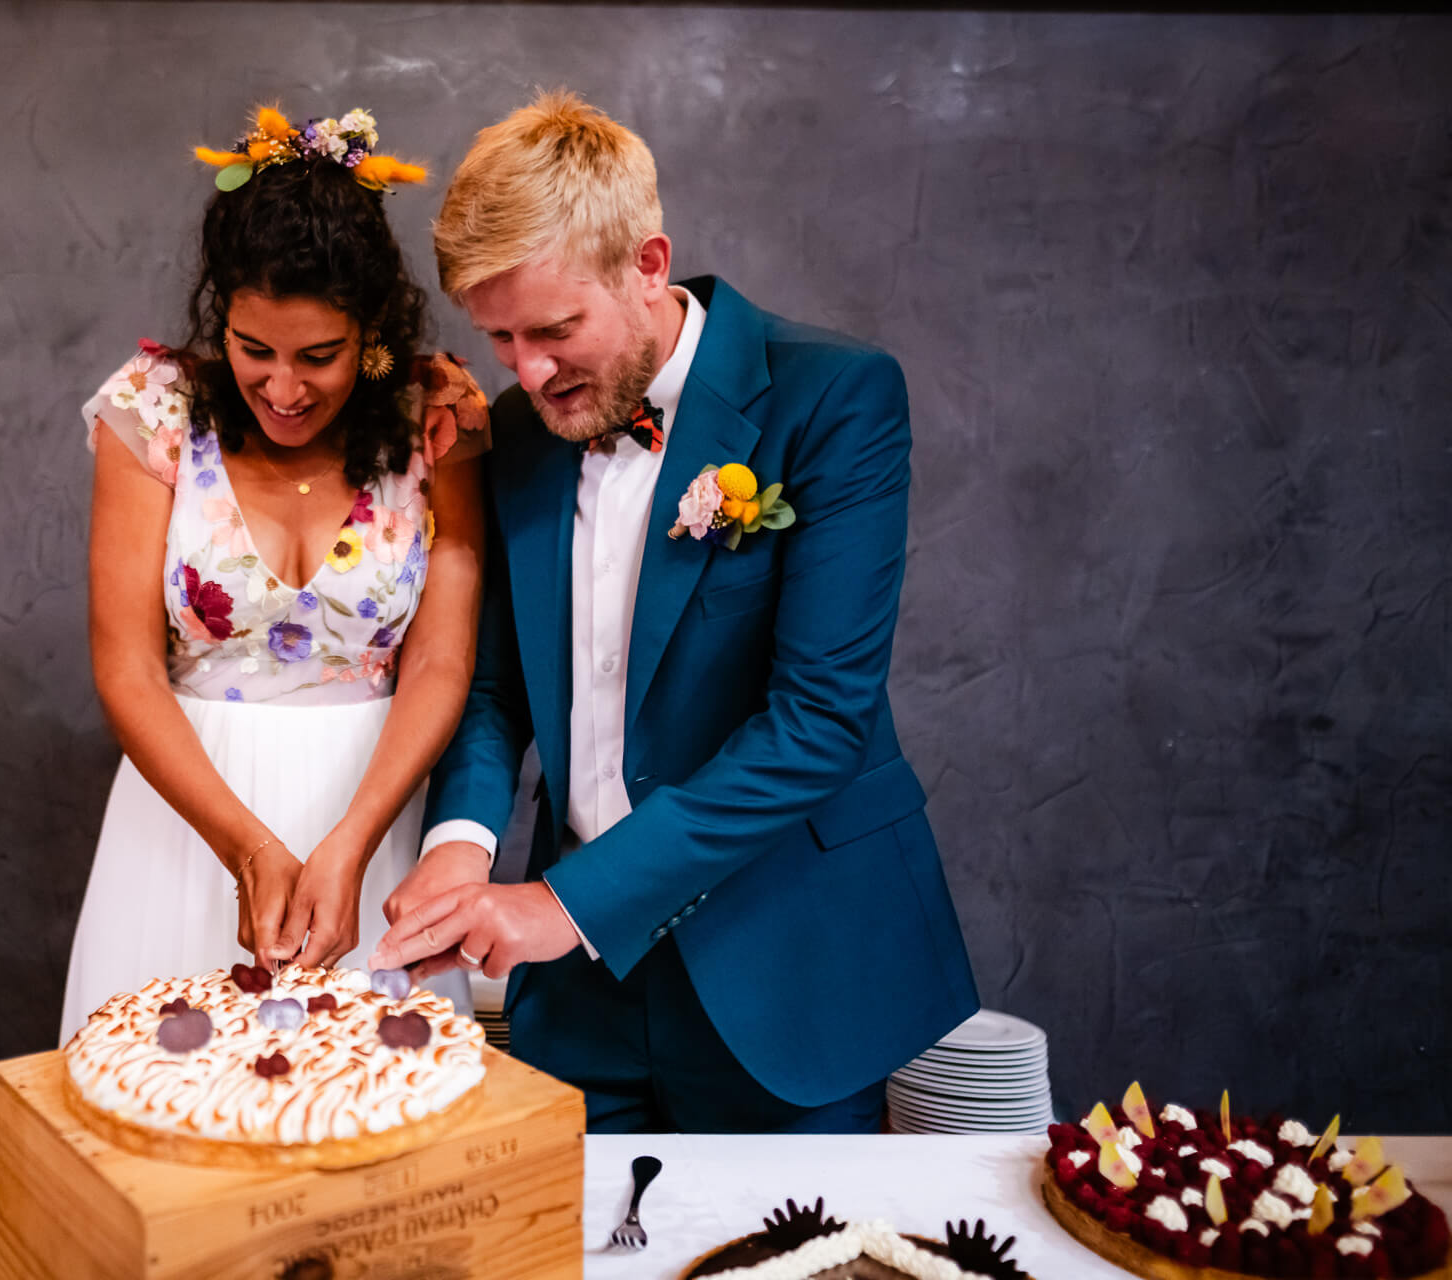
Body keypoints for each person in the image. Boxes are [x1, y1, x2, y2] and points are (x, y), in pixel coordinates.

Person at [371, 91, 979, 1133]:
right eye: (500, 336)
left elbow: (818, 723)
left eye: (555, 329)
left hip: (786, 969)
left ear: (647, 264)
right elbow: (494, 685)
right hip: (574, 1001)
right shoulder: (517, 432)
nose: (526, 372)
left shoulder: (835, 398)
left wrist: (566, 903)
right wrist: (460, 840)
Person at [58, 107, 486, 1043]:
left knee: (369, 1121)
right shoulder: (152, 412)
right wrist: (246, 847)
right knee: (158, 1117)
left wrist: (356, 843)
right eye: (256, 350)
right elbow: (125, 666)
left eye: (319, 357)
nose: (284, 388)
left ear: (370, 333)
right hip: (184, 820)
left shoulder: (437, 418)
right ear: (223, 315)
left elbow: (444, 666)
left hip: (368, 813)